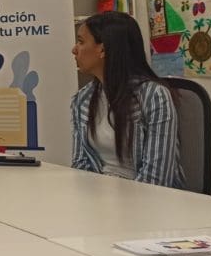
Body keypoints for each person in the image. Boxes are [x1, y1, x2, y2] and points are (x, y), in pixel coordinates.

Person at [70, 11, 184, 187]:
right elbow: (80, 165)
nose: (74, 49)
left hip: (147, 198)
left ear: (103, 50)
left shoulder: (154, 97)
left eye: (81, 41)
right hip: (99, 196)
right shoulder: (82, 99)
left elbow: (156, 179)